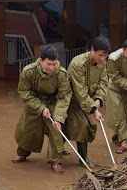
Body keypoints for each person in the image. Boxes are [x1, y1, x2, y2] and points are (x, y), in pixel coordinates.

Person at [12, 46, 72, 174]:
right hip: (34, 102)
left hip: (53, 102)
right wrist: (40, 107)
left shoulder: (61, 73)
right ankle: (22, 153)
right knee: (27, 129)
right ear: (40, 60)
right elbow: (24, 92)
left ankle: (55, 161)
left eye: (54, 64)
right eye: (48, 64)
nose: (51, 68)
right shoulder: (28, 71)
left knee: (56, 130)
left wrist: (59, 118)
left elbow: (64, 96)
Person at [65, 36, 110, 166]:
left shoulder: (103, 63)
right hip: (71, 99)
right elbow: (80, 90)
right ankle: (83, 158)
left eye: (105, 56)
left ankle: (63, 150)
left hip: (88, 100)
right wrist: (94, 109)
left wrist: (98, 99)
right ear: (92, 50)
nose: (102, 59)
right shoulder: (78, 63)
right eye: (100, 55)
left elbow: (104, 83)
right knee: (82, 125)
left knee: (74, 126)